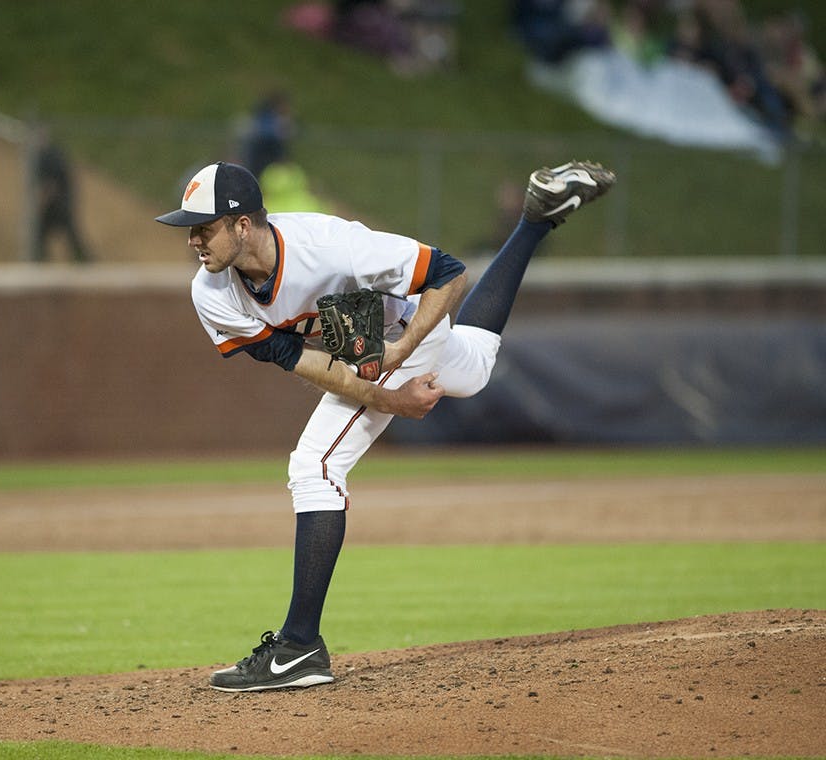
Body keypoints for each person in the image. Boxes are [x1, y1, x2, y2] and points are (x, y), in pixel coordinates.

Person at [155, 158, 615, 692]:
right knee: (475, 369)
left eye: (203, 226)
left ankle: (299, 647)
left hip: (407, 325)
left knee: (314, 466)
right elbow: (304, 361)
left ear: (242, 225)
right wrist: (390, 398)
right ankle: (536, 217)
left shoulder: (328, 245)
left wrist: (403, 352)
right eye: (189, 228)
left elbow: (448, 272)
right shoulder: (212, 293)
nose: (193, 240)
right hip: (366, 344)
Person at [31, 127, 92, 263]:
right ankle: (39, 261)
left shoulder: (48, 156)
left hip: (59, 204)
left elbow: (51, 185)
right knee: (41, 234)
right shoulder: (49, 154)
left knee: (64, 233)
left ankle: (84, 262)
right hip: (60, 203)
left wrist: (41, 203)